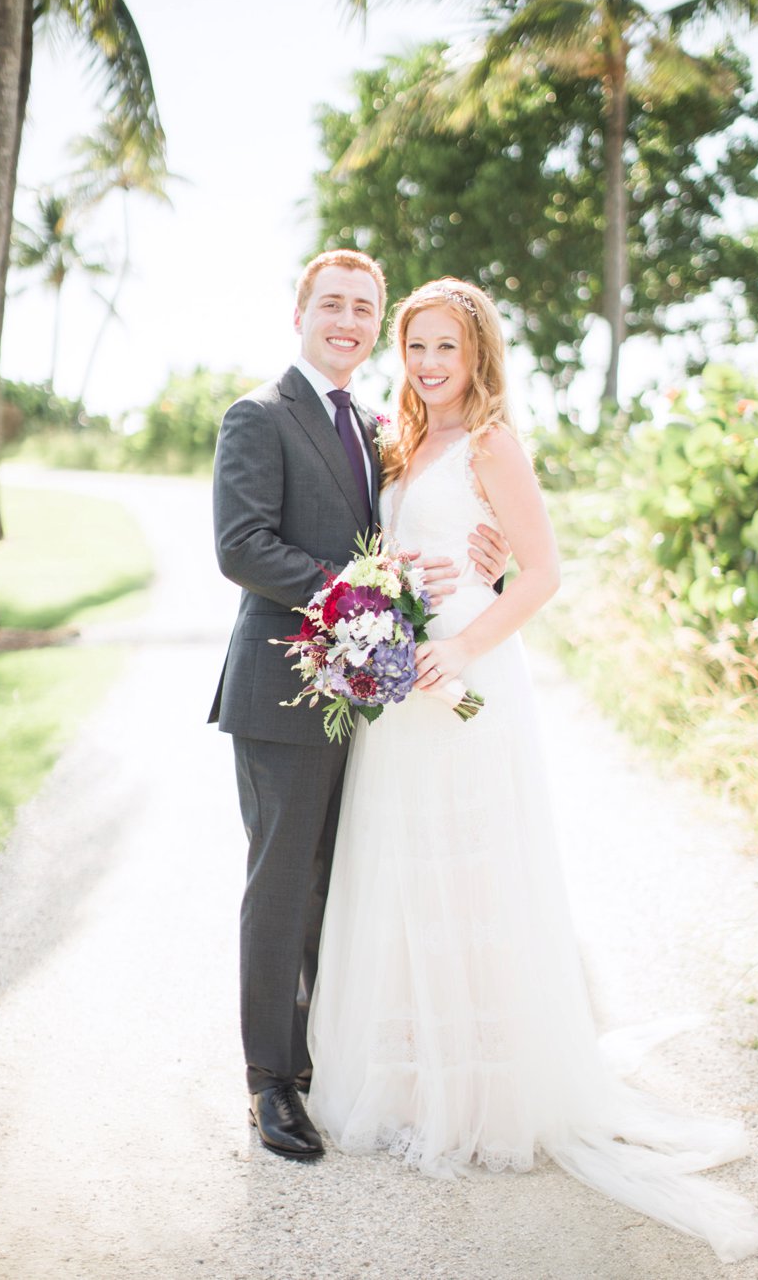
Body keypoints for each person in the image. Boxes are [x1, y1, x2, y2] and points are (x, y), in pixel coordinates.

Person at [306, 277, 758, 1263]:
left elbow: (544, 571)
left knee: (475, 869)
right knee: (405, 871)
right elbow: (394, 548)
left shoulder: (490, 443)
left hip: (468, 678)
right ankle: (409, 1077)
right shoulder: (400, 441)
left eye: (448, 349)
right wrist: (380, 606)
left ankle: (486, 1090)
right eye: (418, 348)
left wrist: (465, 644)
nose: (432, 365)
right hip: (401, 684)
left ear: (477, 355)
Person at [209, 251, 509, 1163]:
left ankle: (324, 1058)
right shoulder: (260, 415)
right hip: (280, 687)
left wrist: (483, 560)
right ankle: (272, 1083)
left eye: (363, 309)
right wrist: (362, 588)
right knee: (281, 884)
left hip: (363, 699)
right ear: (300, 312)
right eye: (331, 304)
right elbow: (243, 545)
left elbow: (421, 533)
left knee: (337, 886)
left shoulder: (378, 427)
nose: (348, 320)